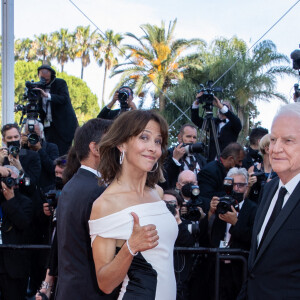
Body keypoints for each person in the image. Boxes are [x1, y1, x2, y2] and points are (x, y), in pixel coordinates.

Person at [89, 110, 177, 299]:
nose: (153, 148)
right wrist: (131, 247)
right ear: (122, 144)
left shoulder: (157, 193)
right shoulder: (105, 204)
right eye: (144, 137)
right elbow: (104, 284)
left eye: (158, 141)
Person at [238, 103, 300, 299]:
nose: (276, 148)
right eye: (273, 139)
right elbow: (257, 266)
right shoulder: (269, 189)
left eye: (288, 140)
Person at [55, 118, 113, 300]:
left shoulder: (71, 186)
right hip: (90, 293)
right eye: (112, 143)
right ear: (95, 149)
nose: (119, 149)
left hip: (70, 291)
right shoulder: (97, 191)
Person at [200, 167, 257, 300]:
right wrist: (210, 213)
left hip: (239, 268)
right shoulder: (220, 203)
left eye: (241, 185)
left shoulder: (254, 208)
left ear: (247, 187)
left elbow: (253, 238)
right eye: (233, 185)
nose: (236, 189)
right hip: (216, 266)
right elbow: (203, 235)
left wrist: (235, 223)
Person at [0, 165, 32, 300]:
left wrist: (11, 200)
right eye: (5, 179)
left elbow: (23, 224)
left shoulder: (25, 202)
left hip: (13, 268)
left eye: (11, 180)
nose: (9, 183)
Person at [36, 64, 78, 155]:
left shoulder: (60, 83)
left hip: (63, 127)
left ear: (51, 75)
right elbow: (40, 108)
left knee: (63, 154)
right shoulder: (39, 87)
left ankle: (64, 168)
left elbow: (64, 99)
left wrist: (47, 95)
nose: (45, 81)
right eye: (42, 77)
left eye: (47, 79)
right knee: (51, 153)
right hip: (49, 127)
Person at [163, 190, 195, 300]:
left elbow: (188, 242)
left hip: (180, 279)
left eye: (172, 204)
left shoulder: (185, 224)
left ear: (179, 207)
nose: (168, 207)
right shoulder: (154, 224)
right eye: (164, 204)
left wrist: (177, 220)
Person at [191, 94, 242, 161]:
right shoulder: (213, 122)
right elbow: (196, 120)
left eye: (226, 106)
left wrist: (220, 106)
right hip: (212, 161)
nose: (221, 107)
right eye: (221, 105)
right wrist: (197, 101)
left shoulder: (234, 124)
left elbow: (237, 122)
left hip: (228, 160)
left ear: (230, 111)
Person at [21, 119, 59, 193]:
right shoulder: (23, 150)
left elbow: (53, 169)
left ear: (41, 133)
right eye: (29, 135)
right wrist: (22, 147)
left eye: (34, 134)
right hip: (28, 190)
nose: (31, 137)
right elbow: (19, 167)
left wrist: (40, 150)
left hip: (46, 190)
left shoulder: (51, 147)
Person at [164, 124, 206, 189]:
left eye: (194, 137)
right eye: (188, 136)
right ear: (180, 138)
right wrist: (175, 159)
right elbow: (165, 179)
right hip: (175, 195)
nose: (192, 140)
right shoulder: (168, 154)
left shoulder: (201, 159)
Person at [247, 134, 277, 203]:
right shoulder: (252, 170)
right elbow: (244, 199)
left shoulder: (281, 172)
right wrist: (249, 185)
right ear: (267, 149)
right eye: (275, 146)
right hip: (255, 211)